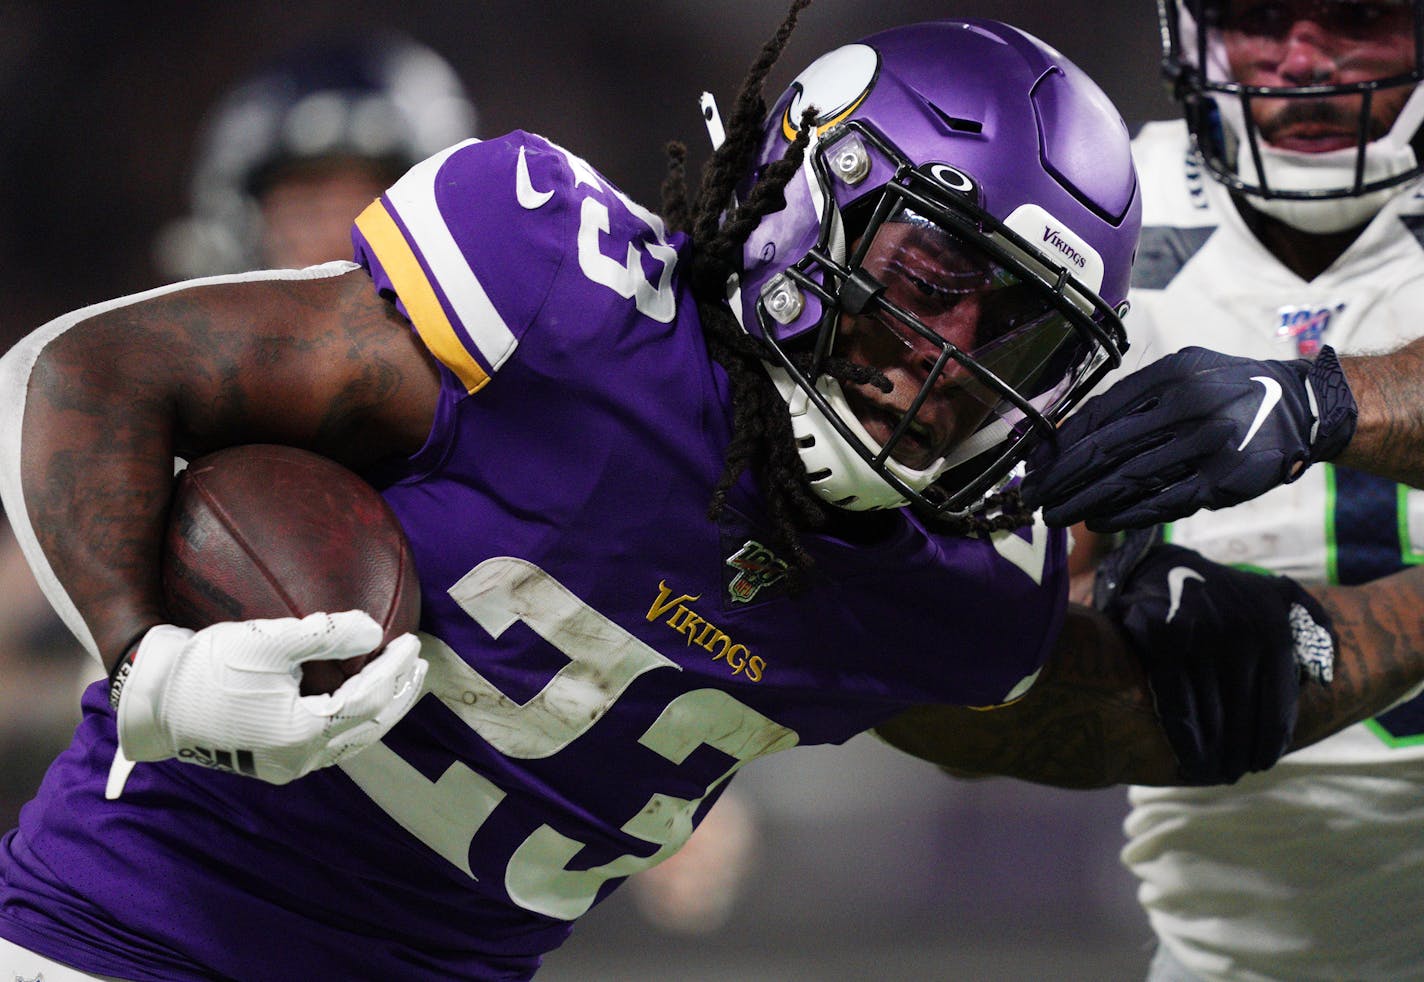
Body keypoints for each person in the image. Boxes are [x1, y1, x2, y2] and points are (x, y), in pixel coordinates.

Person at [0, 5, 1420, 979]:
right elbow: (87, 371)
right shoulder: (559, 296)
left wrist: (1329, 623)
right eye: (933, 279)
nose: (948, 362)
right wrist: (149, 662)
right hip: (107, 945)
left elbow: (1180, 699)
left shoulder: (941, 586)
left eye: (1020, 328)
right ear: (809, 195)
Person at [1022, 0, 1424, 978]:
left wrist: (1318, 404)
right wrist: (1107, 639)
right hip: (1228, 947)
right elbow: (973, 678)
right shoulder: (1090, 198)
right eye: (1252, 16)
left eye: (1354, 15)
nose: (1299, 59)